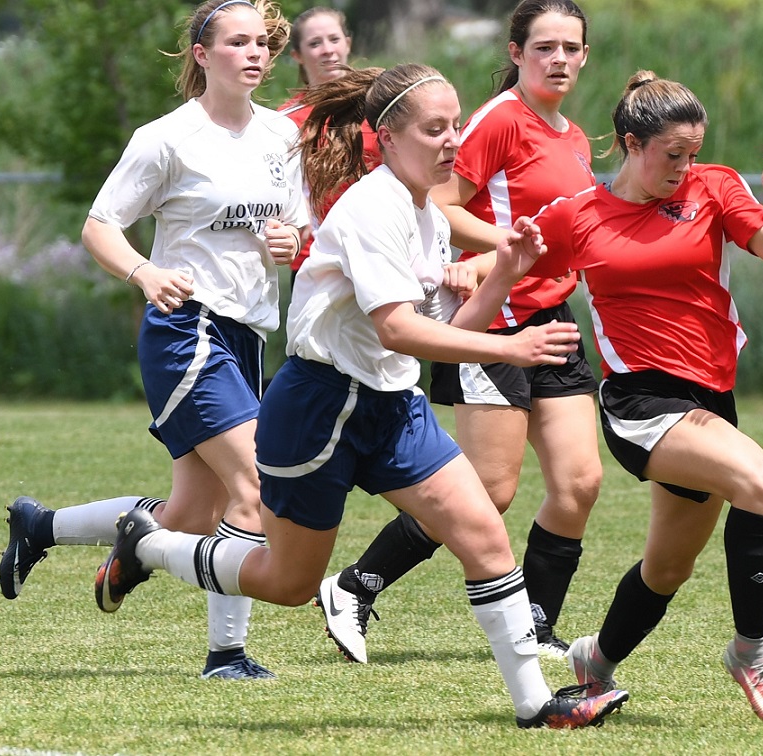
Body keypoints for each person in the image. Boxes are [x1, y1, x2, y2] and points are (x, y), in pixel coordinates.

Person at [91, 62, 629, 729]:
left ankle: (537, 705)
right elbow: (398, 329)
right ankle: (151, 543)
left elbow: (441, 331)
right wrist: (509, 348)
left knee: (485, 534)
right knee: (287, 583)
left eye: (456, 125)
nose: (453, 140)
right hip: (321, 407)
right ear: (389, 137)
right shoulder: (371, 207)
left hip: (393, 404)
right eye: (436, 128)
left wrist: (503, 279)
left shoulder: (427, 210)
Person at [0, 0, 306, 681]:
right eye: (237, 43)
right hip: (185, 330)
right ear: (202, 54)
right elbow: (100, 225)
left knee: (192, 517)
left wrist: (290, 241)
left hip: (247, 333)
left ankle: (41, 526)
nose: (255, 54)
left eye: (262, 43)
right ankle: (227, 656)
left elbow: (292, 229)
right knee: (255, 483)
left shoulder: (282, 135)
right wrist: (144, 270)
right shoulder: (168, 138)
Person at [525, 71, 763, 727]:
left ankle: (593, 662)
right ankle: (752, 652)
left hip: (710, 398)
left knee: (668, 567)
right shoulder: (580, 215)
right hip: (639, 404)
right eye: (671, 155)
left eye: (692, 152)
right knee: (759, 483)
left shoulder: (715, 187)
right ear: (631, 143)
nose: (684, 168)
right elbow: (512, 262)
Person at [317, 0, 601, 664]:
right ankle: (356, 585)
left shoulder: (577, 136)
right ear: (515, 53)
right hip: (494, 320)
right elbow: (441, 201)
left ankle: (537, 625)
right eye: (544, 47)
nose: (558, 59)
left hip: (552, 319)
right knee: (490, 490)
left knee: (580, 483)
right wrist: (501, 250)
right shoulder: (501, 120)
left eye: (571, 48)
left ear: (585, 56)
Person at [276, 6, 371, 280]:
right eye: (315, 43)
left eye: (334, 39)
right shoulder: (284, 121)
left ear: (348, 43)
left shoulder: (380, 105)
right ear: (297, 55)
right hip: (315, 262)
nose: (328, 50)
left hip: (379, 252)